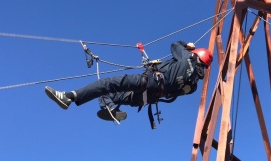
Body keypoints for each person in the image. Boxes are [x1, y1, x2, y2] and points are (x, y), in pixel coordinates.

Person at [45, 41, 213, 122]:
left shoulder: (188, 59)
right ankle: (111, 108)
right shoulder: (193, 87)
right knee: (112, 95)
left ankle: (69, 96)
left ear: (196, 55)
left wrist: (188, 47)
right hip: (149, 98)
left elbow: (175, 45)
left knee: (108, 84)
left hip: (149, 82)